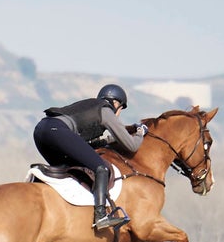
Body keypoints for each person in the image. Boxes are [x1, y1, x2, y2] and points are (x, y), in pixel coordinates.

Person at [34, 83, 147, 230]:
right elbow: (132, 145)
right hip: (57, 131)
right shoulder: (106, 110)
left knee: (68, 170)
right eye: (120, 109)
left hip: (41, 131)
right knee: (101, 168)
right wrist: (140, 133)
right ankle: (101, 216)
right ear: (115, 103)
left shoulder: (90, 109)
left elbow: (84, 144)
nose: (117, 115)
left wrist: (108, 141)